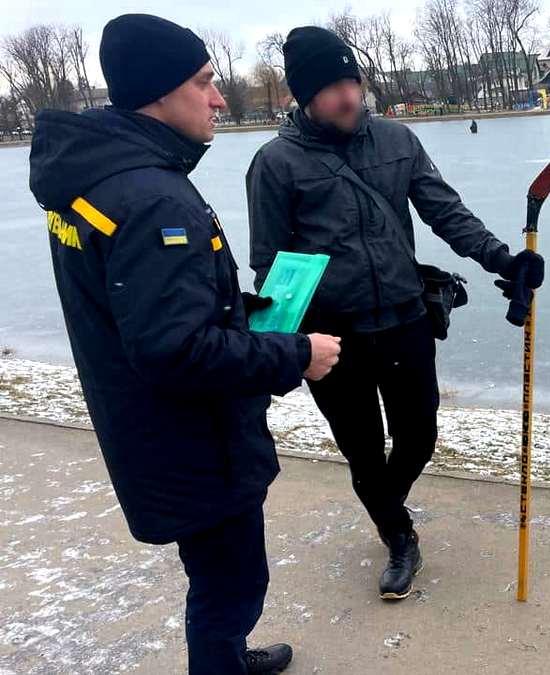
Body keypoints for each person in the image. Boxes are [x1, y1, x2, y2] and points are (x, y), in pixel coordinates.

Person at [27, 14, 342, 674]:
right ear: (159, 92)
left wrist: (241, 309)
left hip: (151, 432)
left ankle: (226, 655)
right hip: (195, 444)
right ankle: (221, 661)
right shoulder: (150, 197)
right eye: (205, 82)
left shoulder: (98, 179)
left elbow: (138, 310)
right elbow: (175, 350)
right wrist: (296, 353)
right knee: (231, 586)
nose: (219, 98)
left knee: (218, 580)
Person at [245, 26, 544, 603]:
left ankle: (386, 499)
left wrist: (500, 257)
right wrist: (291, 345)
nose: (347, 97)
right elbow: (269, 264)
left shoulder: (397, 140)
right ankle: (398, 535)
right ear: (304, 97)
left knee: (419, 434)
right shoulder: (275, 164)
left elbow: (445, 211)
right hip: (333, 337)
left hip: (406, 320)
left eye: (350, 81)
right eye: (331, 87)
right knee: (361, 447)